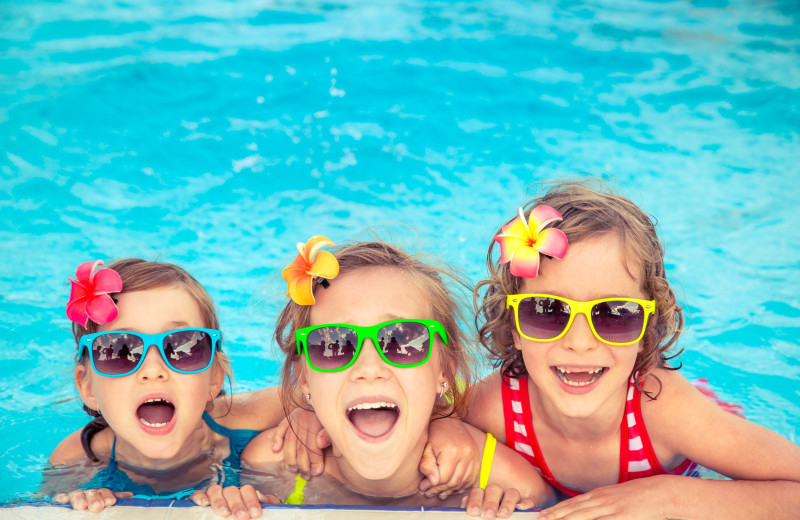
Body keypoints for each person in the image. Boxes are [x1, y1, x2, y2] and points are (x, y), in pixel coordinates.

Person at [461, 181, 800, 519]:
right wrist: (448, 432)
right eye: (546, 310)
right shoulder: (497, 406)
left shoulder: (667, 413)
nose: (579, 342)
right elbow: (424, 415)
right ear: (513, 324)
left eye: (614, 314)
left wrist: (670, 497)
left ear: (645, 330)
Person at [196, 240, 555, 519]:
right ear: (303, 378)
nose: (369, 367)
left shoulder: (505, 481)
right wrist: (238, 504)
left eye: (401, 340)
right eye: (333, 344)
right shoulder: (275, 467)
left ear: (444, 372)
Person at [45, 259, 273, 512]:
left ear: (215, 377)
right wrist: (81, 500)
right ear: (87, 387)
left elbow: (307, 394)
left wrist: (303, 418)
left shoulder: (248, 418)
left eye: (181, 346)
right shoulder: (76, 459)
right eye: (120, 351)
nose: (153, 370)